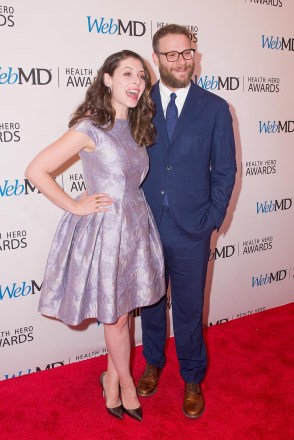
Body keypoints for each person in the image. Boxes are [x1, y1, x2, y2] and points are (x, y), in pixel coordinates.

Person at [25, 50, 166, 422]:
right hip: (105, 232)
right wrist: (74, 205)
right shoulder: (90, 128)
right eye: (127, 74)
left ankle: (111, 382)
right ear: (107, 79)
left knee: (121, 310)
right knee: (116, 317)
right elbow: (36, 170)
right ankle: (127, 385)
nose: (136, 82)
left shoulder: (137, 127)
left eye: (141, 76)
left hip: (135, 227)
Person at [137, 24, 236, 419]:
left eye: (187, 52)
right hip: (145, 223)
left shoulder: (214, 107)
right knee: (150, 301)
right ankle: (153, 361)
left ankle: (192, 376)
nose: (181, 61)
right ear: (156, 58)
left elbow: (225, 170)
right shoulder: (139, 103)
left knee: (191, 307)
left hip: (194, 226)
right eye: (171, 54)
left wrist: (213, 218)